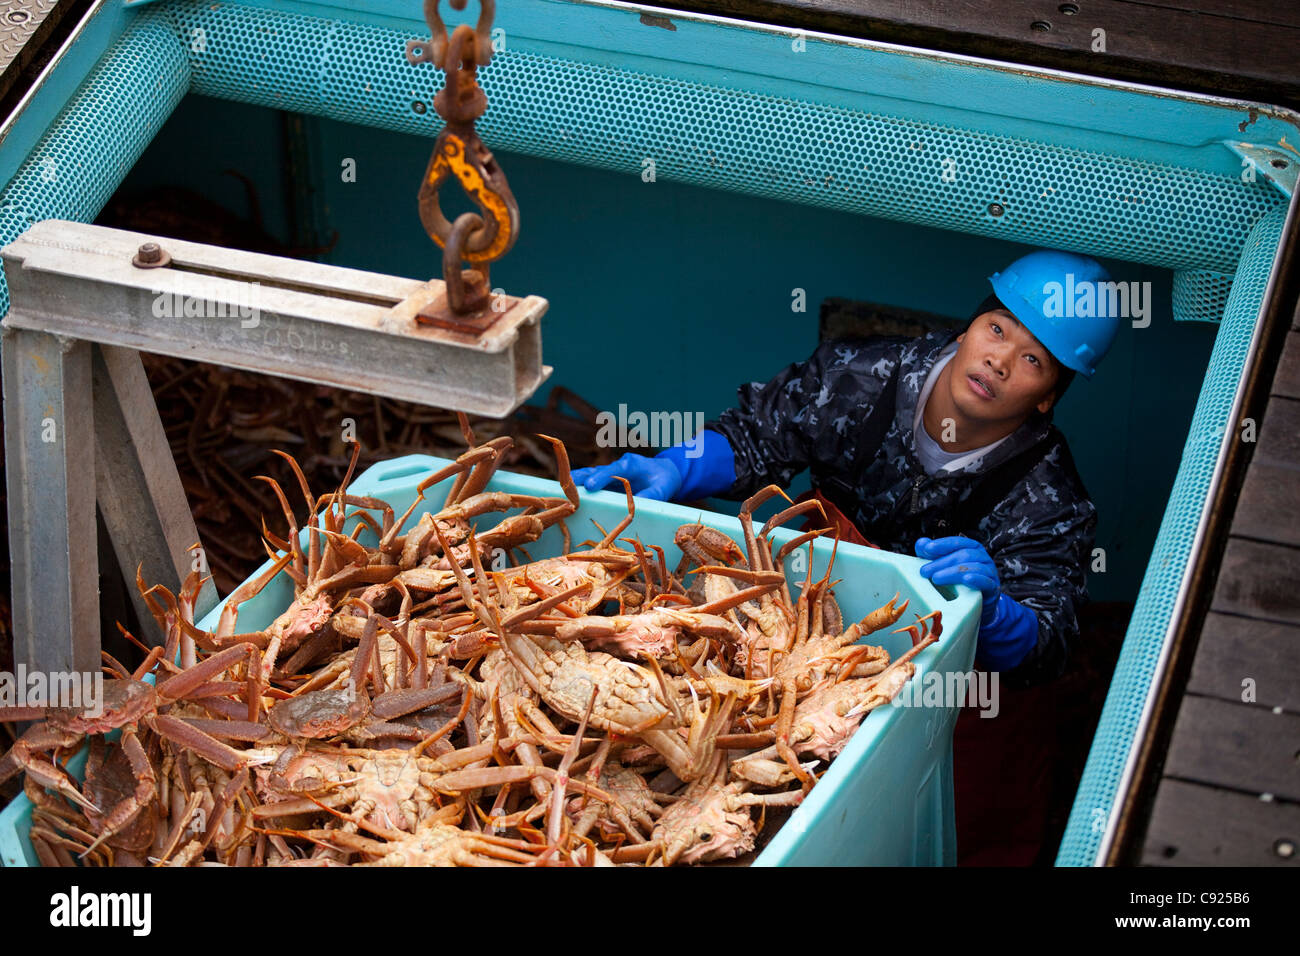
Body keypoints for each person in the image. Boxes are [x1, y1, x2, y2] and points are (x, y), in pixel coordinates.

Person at [572, 248, 1121, 864]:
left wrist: (993, 614)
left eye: (1032, 361)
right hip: (812, 617)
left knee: (962, 826)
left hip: (958, 685)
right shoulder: (863, 374)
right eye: (997, 330)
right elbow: (759, 432)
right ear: (970, 325)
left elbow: (1049, 636)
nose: (999, 360)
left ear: (1048, 396)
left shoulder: (1048, 496)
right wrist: (677, 467)